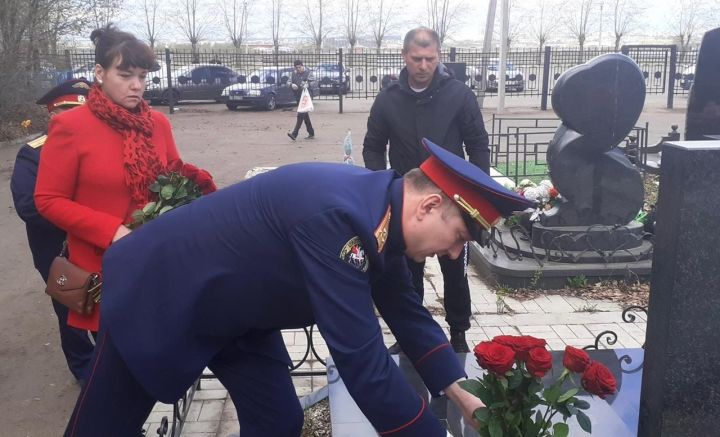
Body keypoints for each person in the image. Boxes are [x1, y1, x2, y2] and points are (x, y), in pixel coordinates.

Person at [62, 138, 534, 437]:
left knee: (277, 422)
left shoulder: (381, 213)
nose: (455, 254)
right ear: (429, 206)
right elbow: (362, 361)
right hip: (162, 296)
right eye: (459, 238)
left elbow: (407, 313)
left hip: (237, 314)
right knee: (104, 427)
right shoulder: (341, 220)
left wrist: (461, 393)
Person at [34, 24, 192, 334]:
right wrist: (113, 231)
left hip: (156, 258)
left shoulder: (157, 123)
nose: (136, 86)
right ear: (99, 72)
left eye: (142, 77)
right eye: (125, 75)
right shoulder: (70, 126)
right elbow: (48, 200)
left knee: (164, 351)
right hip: (104, 267)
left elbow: (175, 173)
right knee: (121, 361)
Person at [362, 27, 492, 353]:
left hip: (452, 201)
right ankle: (411, 337)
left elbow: (478, 146)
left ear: (439, 57)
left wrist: (475, 196)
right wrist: (385, 187)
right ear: (405, 57)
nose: (423, 65)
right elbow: (373, 148)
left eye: (430, 58)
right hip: (406, 203)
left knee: (455, 273)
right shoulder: (388, 99)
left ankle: (458, 334)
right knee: (406, 276)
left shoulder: (459, 95)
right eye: (417, 58)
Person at [10, 79, 96, 382]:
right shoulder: (32, 154)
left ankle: (112, 364)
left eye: (80, 110)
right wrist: (82, 216)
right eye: (66, 110)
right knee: (71, 309)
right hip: (59, 250)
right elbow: (28, 206)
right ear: (52, 114)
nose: (73, 117)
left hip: (100, 245)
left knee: (110, 305)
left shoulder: (98, 145)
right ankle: (85, 370)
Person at [287, 59, 315, 140]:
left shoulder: (308, 72)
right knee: (305, 115)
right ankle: (311, 132)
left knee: (301, 114)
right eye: (296, 68)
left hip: (306, 97)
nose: (298, 69)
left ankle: (294, 134)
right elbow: (288, 82)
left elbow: (313, 82)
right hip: (298, 96)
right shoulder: (293, 73)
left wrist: (308, 84)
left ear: (303, 66)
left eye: (299, 67)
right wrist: (291, 85)